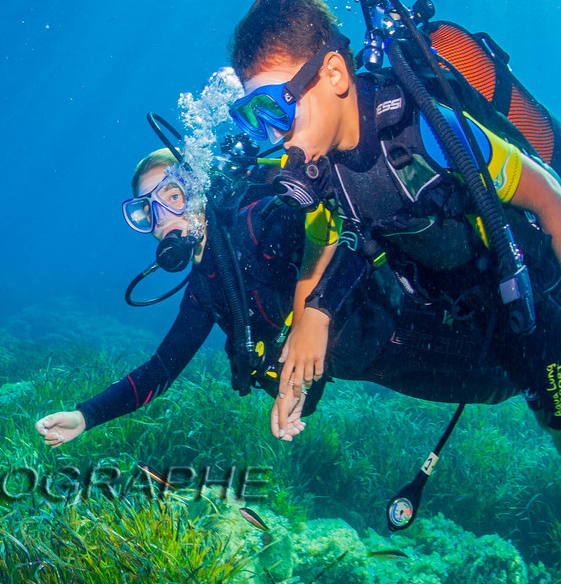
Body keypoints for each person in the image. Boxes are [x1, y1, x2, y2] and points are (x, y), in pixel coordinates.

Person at [225, 0, 561, 446]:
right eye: (254, 118)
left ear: (335, 75)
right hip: (466, 309)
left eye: (279, 108)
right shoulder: (324, 174)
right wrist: (298, 357)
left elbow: (547, 197)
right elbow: (317, 257)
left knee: (555, 415)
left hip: (531, 289)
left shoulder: (425, 130)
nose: (274, 135)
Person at [34, 147, 513, 448]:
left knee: (515, 370)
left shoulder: (258, 221)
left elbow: (348, 234)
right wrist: (85, 416)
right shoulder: (204, 290)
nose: (161, 216)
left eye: (172, 195)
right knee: (503, 388)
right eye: (147, 210)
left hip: (409, 317)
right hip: (378, 366)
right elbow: (159, 371)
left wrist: (316, 315)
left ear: (198, 191)